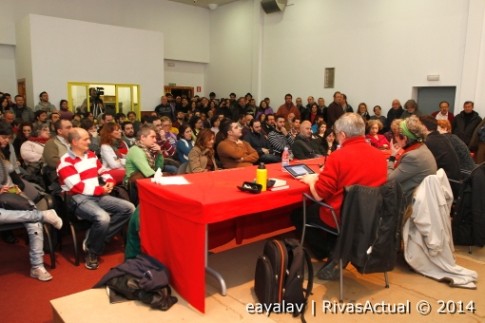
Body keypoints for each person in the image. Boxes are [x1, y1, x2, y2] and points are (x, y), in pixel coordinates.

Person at [292, 113, 387, 279]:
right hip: (370, 217)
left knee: (299, 214)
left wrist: (311, 179)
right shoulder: (380, 156)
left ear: (342, 135)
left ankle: (331, 253)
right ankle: (339, 251)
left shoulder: (337, 156)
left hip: (341, 216)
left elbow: (319, 195)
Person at [57, 127, 135, 270]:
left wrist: (109, 180)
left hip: (97, 195)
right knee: (103, 218)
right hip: (77, 198)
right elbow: (76, 187)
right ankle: (92, 251)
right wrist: (100, 189)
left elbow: (103, 171)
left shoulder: (91, 155)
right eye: (85, 139)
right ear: (74, 142)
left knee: (129, 208)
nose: (90, 141)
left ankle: (95, 239)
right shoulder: (65, 162)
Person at [0, 207, 62, 281]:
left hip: (13, 204)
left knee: (34, 222)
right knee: (33, 217)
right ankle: (41, 215)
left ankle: (37, 266)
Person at [387, 116, 437, 205]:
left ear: (405, 138)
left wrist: (391, 158)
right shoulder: (422, 147)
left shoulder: (413, 156)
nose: (395, 139)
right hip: (421, 197)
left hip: (407, 201)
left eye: (396, 136)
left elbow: (389, 181)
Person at [124, 125, 164, 204]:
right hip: (133, 186)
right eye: (152, 137)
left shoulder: (147, 150)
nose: (155, 140)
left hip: (145, 181)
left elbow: (159, 168)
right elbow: (149, 173)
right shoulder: (136, 150)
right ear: (143, 137)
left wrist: (159, 153)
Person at [419, 116, 461, 184]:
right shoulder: (441, 137)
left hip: (445, 183)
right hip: (453, 181)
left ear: (424, 127)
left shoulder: (429, 142)